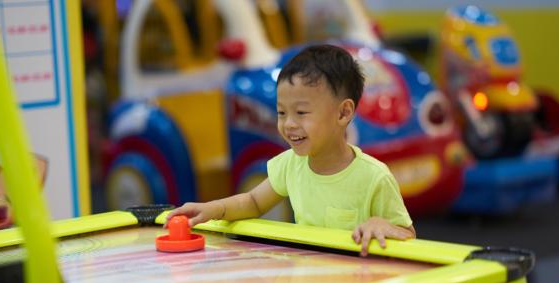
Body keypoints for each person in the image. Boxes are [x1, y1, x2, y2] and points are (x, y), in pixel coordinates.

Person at [166, 44, 415, 256]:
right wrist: (213, 209)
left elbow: (408, 235)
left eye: (301, 113)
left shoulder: (374, 177)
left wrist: (379, 224)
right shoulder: (290, 164)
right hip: (308, 280)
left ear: (343, 112)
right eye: (281, 112)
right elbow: (252, 201)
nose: (288, 124)